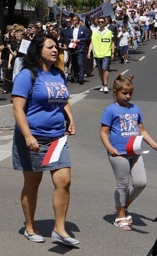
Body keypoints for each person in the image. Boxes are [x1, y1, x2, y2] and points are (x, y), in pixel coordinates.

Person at [12, 34, 78, 246]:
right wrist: (28, 135)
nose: (55, 50)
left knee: (64, 181)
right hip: (34, 137)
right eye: (50, 47)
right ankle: (30, 227)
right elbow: (18, 109)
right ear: (38, 50)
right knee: (33, 183)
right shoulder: (27, 75)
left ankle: (60, 230)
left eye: (56, 47)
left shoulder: (59, 74)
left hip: (57, 137)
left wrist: (70, 118)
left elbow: (63, 98)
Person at [99, 74, 157, 231]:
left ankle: (124, 206)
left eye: (130, 93)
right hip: (118, 153)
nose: (128, 96)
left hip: (135, 151)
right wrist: (110, 149)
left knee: (140, 183)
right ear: (115, 92)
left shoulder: (135, 109)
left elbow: (142, 131)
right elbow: (103, 132)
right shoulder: (110, 110)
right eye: (124, 93)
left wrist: (155, 146)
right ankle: (120, 215)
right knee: (122, 184)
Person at [87, 17, 115, 93]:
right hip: (97, 54)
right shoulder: (95, 32)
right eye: (99, 22)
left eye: (102, 22)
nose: (100, 23)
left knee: (105, 69)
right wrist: (89, 52)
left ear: (105, 23)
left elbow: (112, 43)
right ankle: (103, 84)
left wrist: (112, 53)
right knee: (100, 70)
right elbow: (92, 42)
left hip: (106, 53)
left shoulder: (109, 32)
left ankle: (105, 85)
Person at [64, 16, 90, 84]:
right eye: (72, 20)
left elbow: (87, 38)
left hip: (80, 48)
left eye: (74, 20)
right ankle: (76, 77)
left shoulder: (83, 29)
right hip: (73, 47)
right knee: (74, 63)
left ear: (78, 21)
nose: (73, 22)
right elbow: (68, 38)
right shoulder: (71, 29)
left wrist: (80, 40)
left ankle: (81, 78)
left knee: (80, 63)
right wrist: (70, 40)